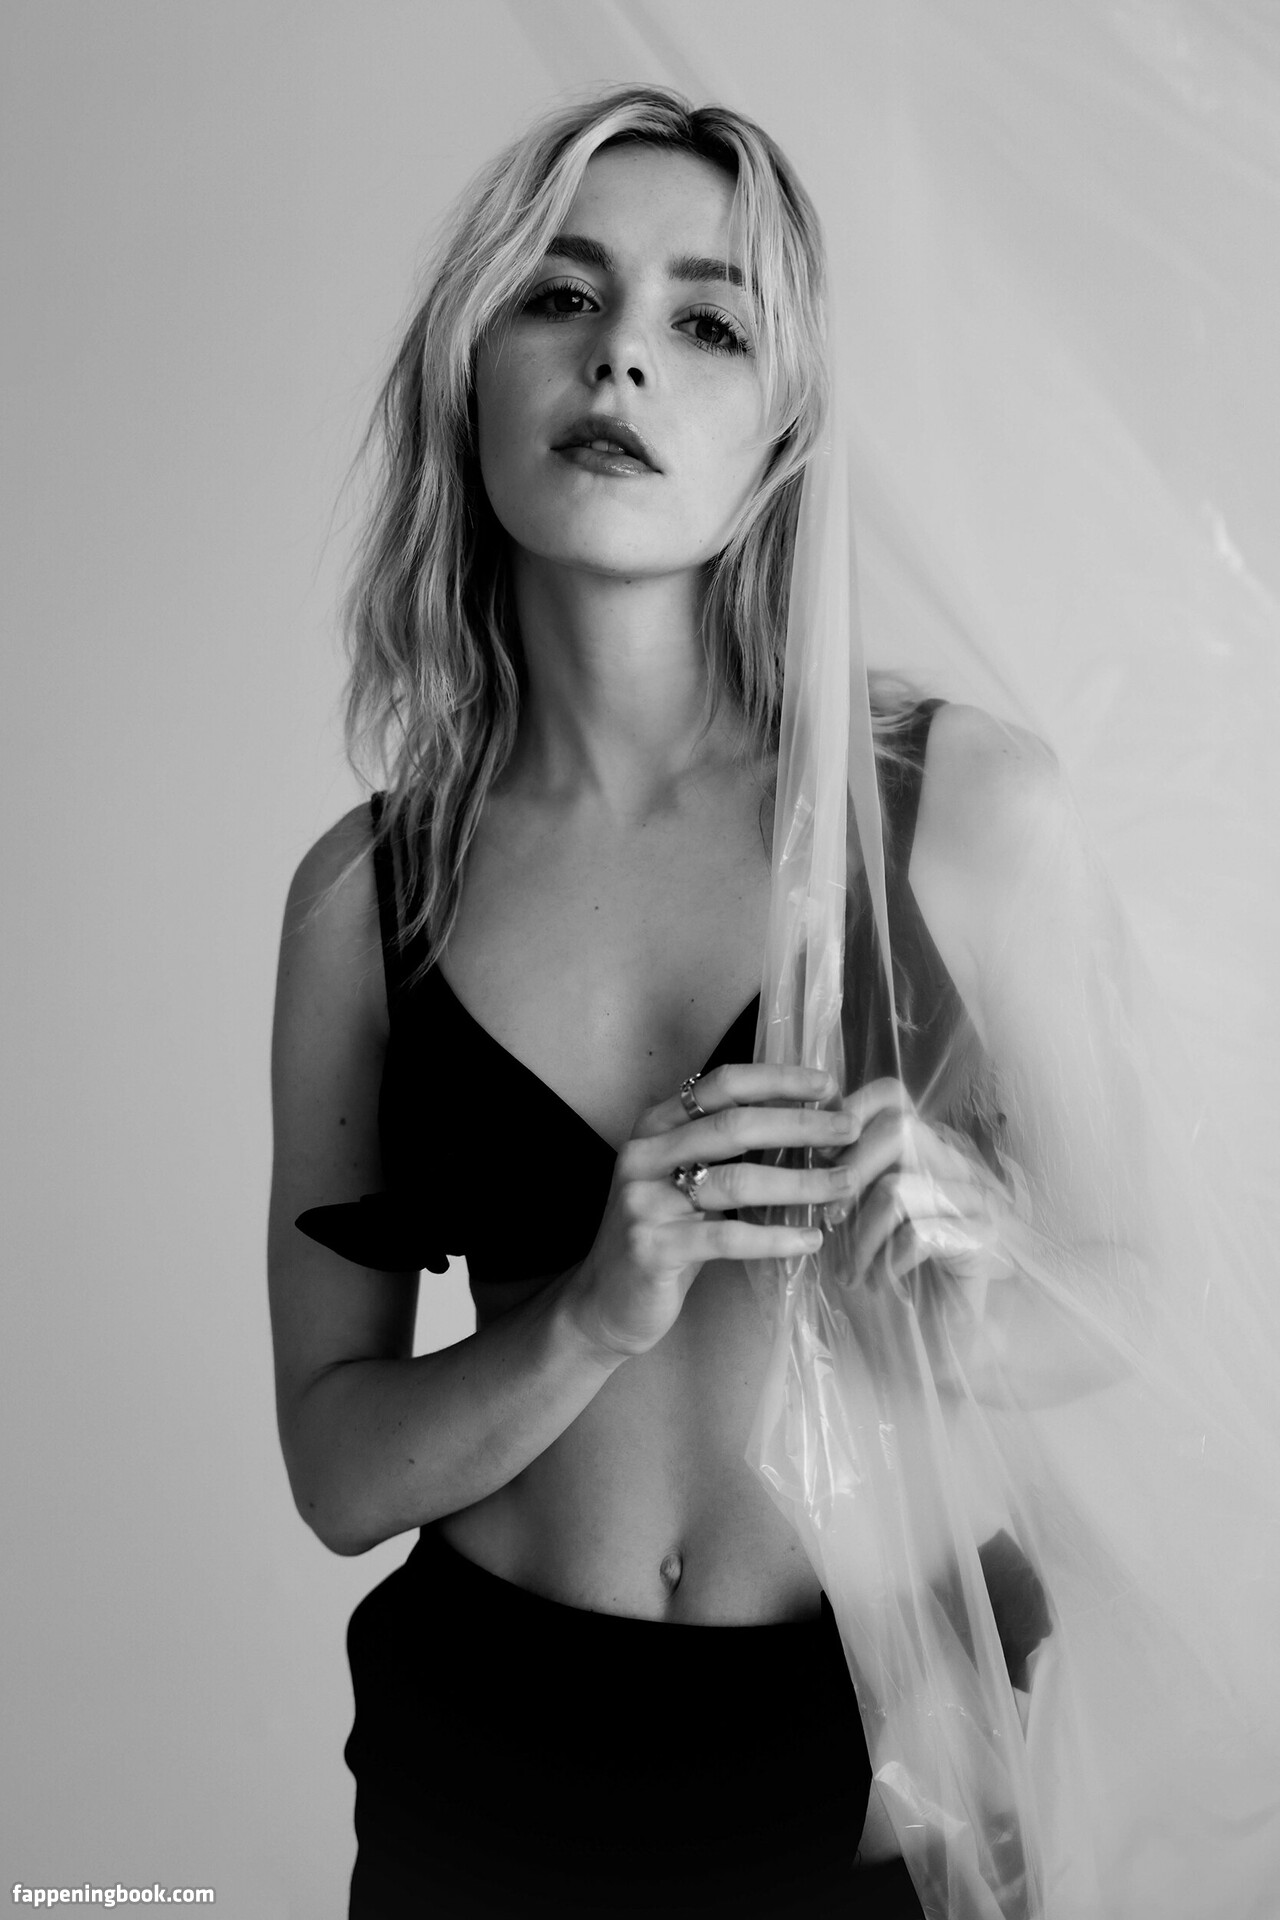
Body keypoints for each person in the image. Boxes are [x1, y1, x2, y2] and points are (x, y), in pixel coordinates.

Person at [267, 85, 1096, 1919]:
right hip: (488, 1772)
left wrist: (977, 1279)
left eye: (708, 323)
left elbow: (1136, 1303)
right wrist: (590, 1313)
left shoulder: (961, 808)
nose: (622, 357)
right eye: (562, 297)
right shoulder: (364, 896)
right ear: (470, 371)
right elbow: (337, 1471)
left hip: (888, 1771)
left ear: (786, 426)